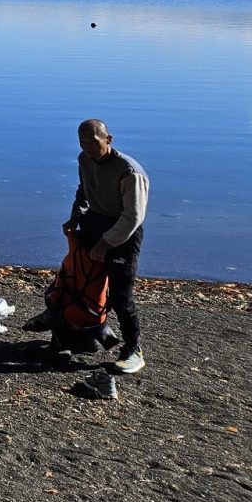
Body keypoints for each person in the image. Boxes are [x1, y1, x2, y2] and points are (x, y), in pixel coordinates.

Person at [60, 117, 150, 372]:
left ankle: (134, 350)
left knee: (121, 297)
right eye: (82, 142)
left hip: (123, 233)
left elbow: (133, 217)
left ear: (108, 139)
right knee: (79, 281)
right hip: (94, 223)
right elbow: (83, 191)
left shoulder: (130, 172)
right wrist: (74, 217)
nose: (87, 146)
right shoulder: (84, 159)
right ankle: (85, 334)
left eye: (93, 141)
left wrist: (105, 244)